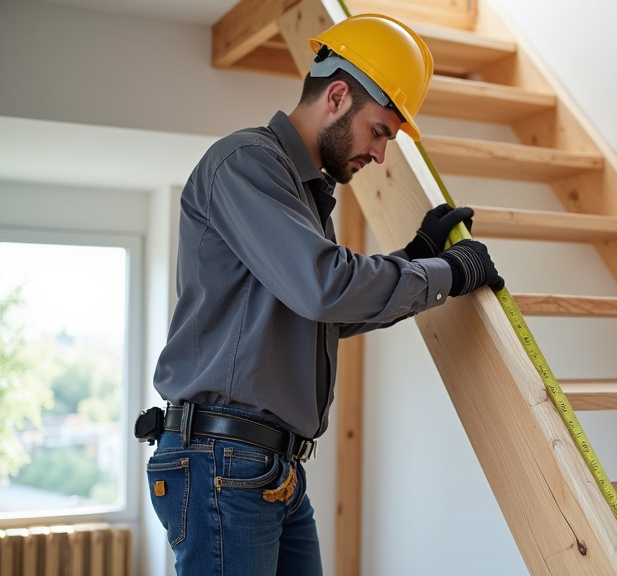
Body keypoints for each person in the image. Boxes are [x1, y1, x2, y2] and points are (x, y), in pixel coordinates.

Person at [134, 14, 503, 576]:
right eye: (379, 131)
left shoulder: (304, 193)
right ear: (337, 97)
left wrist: (415, 256)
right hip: (224, 464)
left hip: (266, 469)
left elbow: (320, 312)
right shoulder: (246, 163)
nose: (380, 154)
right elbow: (325, 289)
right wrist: (445, 272)